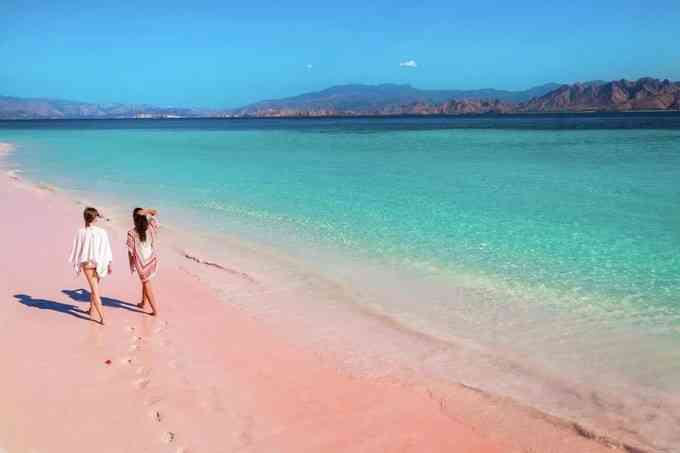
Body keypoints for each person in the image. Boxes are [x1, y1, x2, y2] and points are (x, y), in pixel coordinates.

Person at [68, 206, 113, 324]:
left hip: (87, 264)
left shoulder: (80, 232)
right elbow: (106, 249)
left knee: (95, 290)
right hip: (100, 263)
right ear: (95, 218)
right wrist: (109, 263)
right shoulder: (102, 232)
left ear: (85, 218)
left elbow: (78, 249)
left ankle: (100, 316)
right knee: (95, 288)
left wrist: (77, 263)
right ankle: (95, 312)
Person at [127, 207, 159, 316]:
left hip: (141, 263)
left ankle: (155, 310)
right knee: (145, 281)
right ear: (144, 217)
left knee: (146, 283)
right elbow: (155, 213)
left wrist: (131, 264)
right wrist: (146, 212)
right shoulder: (150, 227)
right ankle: (143, 302)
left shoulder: (131, 233)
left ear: (134, 219)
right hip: (151, 260)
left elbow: (130, 251)